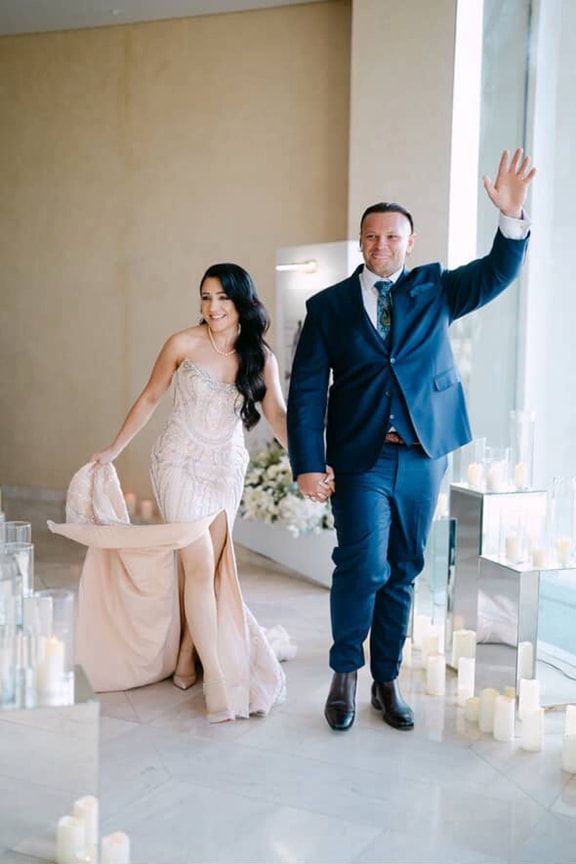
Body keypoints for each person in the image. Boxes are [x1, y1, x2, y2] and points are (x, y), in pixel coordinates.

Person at [287, 148, 536, 731]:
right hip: (360, 458)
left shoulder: (437, 290)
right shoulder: (327, 307)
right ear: (360, 243)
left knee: (404, 567)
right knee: (362, 564)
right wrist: (307, 462)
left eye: (392, 237)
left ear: (410, 241)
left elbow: (499, 272)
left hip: (424, 455)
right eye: (371, 237)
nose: (381, 246)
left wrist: (510, 218)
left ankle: (386, 679)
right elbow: (305, 392)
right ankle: (345, 673)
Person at [91, 262, 290, 722]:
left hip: (225, 468)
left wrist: (310, 463)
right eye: (205, 297)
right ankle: (217, 679)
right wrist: (114, 450)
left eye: (222, 297)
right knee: (198, 563)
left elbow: (277, 416)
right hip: (177, 462)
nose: (212, 307)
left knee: (210, 564)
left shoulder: (260, 358)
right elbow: (149, 398)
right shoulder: (182, 343)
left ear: (242, 302)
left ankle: (186, 652)